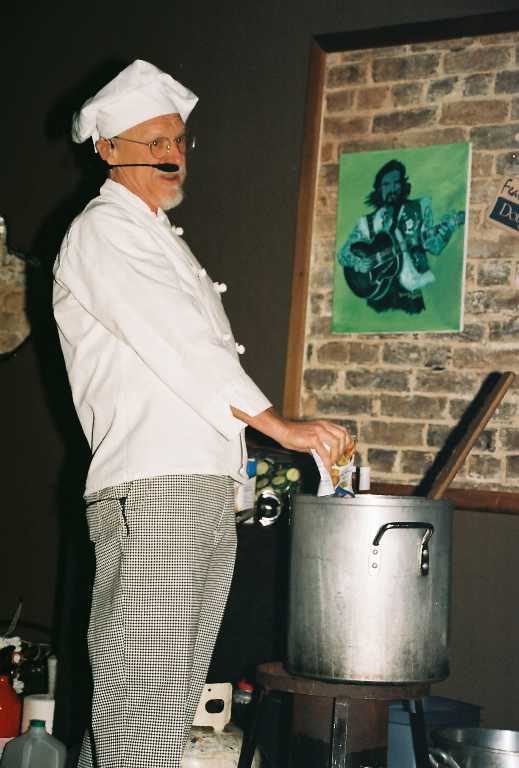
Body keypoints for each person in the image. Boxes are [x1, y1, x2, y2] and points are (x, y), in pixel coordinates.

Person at [53, 59, 351, 768]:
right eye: (153, 141)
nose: (172, 155)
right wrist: (279, 426)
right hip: (157, 487)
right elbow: (181, 345)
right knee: (144, 701)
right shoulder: (105, 230)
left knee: (158, 699)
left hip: (197, 485)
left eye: (179, 140)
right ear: (107, 149)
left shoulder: (159, 237)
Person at [337, 159, 464, 314]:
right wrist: (358, 262)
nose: (391, 189)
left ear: (403, 185)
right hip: (377, 299)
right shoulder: (367, 222)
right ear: (379, 189)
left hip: (410, 296)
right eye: (386, 184)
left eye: (396, 183)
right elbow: (342, 254)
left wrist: (447, 230)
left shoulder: (419, 209)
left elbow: (435, 247)